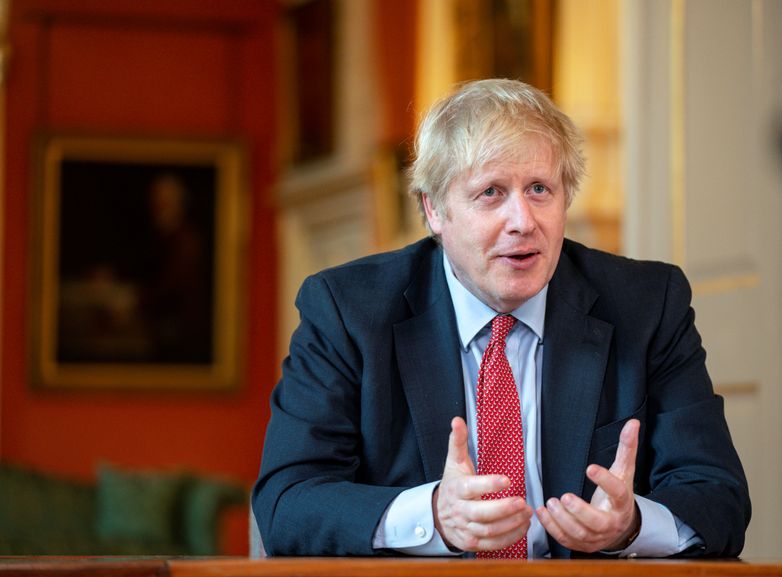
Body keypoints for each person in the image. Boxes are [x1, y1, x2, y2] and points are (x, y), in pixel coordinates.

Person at [252, 79, 750, 558]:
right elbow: (287, 503)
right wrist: (433, 516)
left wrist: (633, 525)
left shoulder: (646, 304)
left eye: (539, 189)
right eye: (491, 192)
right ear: (434, 211)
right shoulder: (348, 310)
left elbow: (720, 498)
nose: (523, 221)